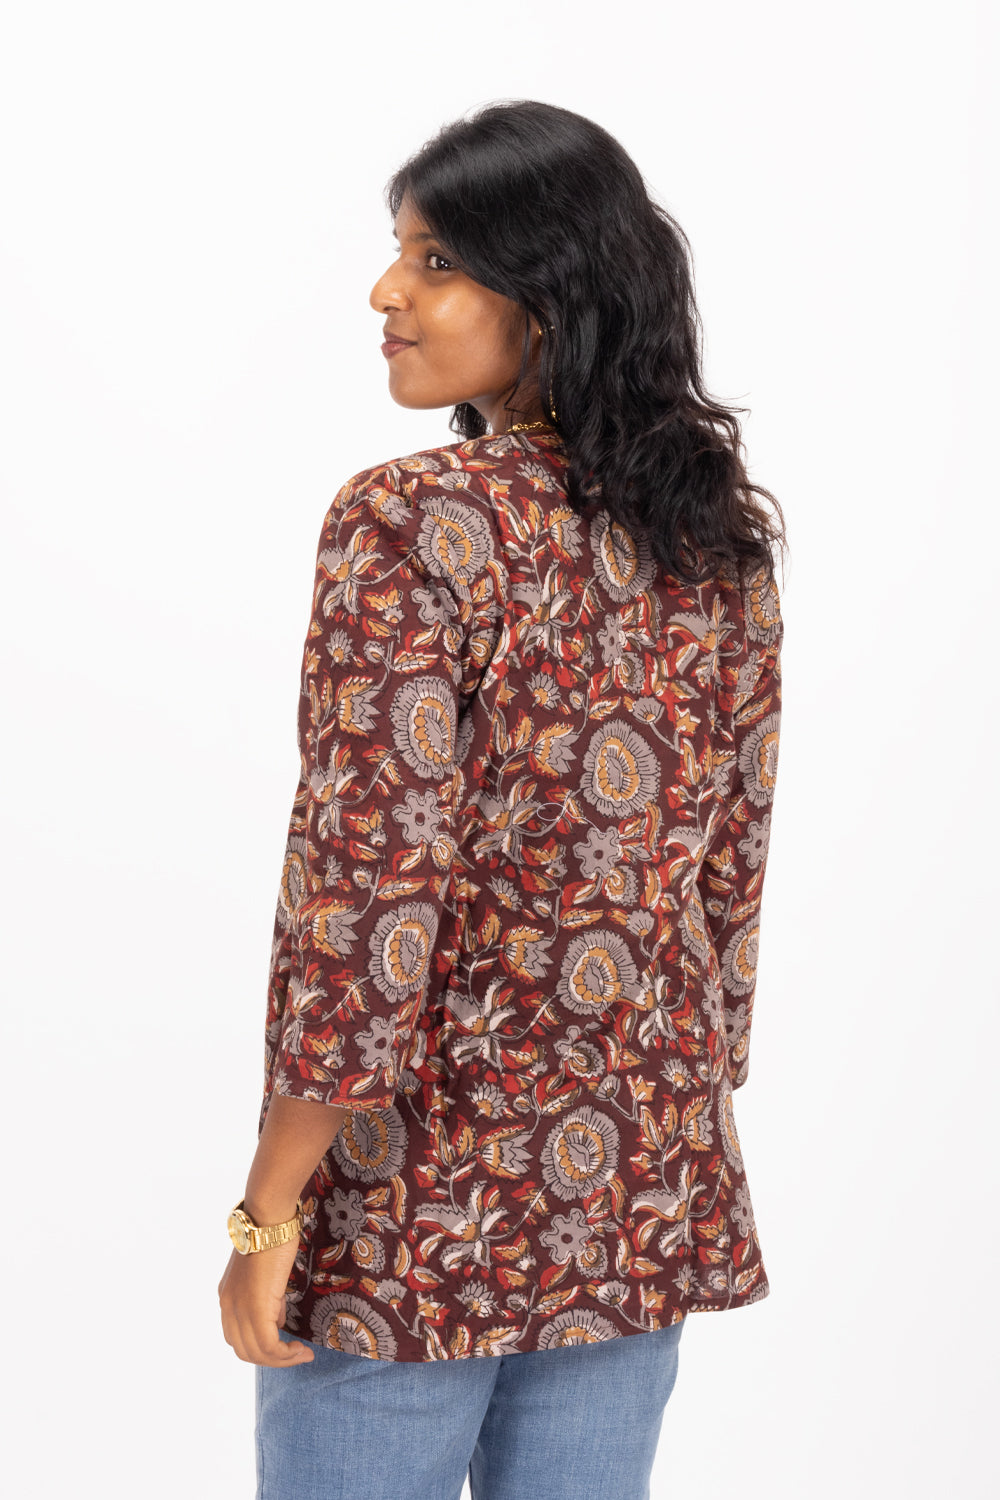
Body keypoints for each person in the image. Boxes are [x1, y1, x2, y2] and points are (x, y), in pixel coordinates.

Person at [218, 98, 787, 1500]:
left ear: (550, 297)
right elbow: (730, 878)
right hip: (637, 1181)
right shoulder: (713, 535)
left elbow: (369, 887)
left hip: (424, 1196)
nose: (386, 292)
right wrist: (682, 1095)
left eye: (436, 261)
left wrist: (268, 1208)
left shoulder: (409, 519)